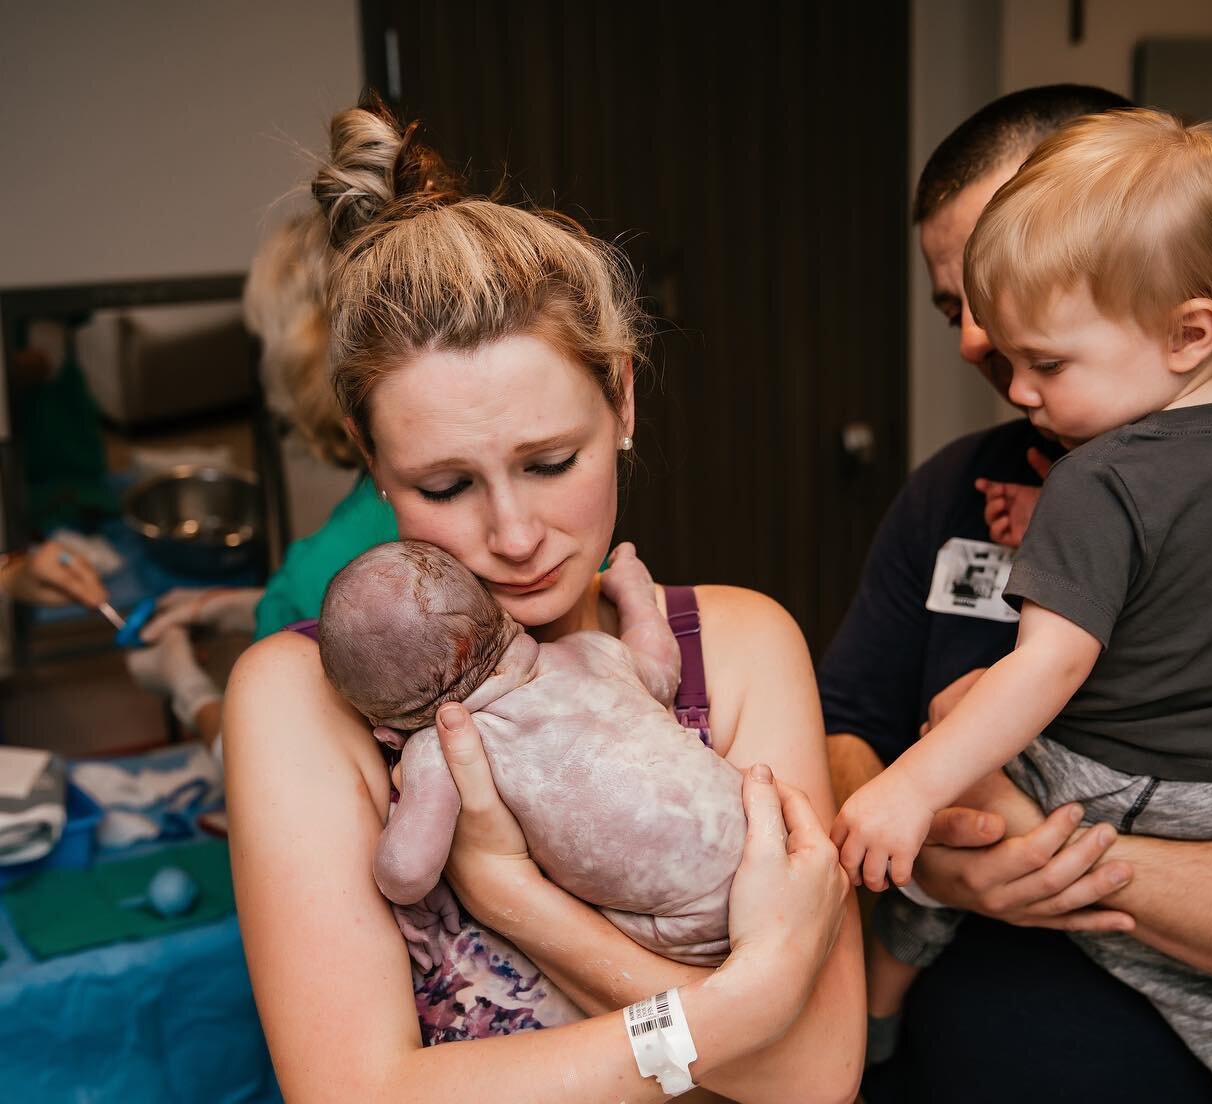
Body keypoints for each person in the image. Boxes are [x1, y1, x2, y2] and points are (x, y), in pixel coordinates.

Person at [224, 100, 864, 1102]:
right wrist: (735, 1013)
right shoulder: (297, 696)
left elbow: (815, 1075)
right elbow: (352, 1093)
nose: (514, 537)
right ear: (371, 463)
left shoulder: (737, 645)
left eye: (550, 461)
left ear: (622, 400)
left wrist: (515, 898)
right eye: (446, 487)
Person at [822, 85, 1212, 1102]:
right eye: (958, 305)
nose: (984, 341)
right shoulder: (949, 485)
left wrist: (1015, 840)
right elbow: (847, 728)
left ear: (1177, 312)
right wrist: (937, 866)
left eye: (1023, 285)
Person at [319, 538, 743, 964]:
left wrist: (402, 891)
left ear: (388, 728)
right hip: (764, 842)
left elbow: (407, 871)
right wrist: (633, 592)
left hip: (687, 925)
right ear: (503, 615)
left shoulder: (442, 744)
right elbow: (661, 668)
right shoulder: (591, 650)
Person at [127, 206, 398, 747]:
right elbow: (362, 626)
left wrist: (187, 687)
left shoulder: (322, 566)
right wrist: (237, 607)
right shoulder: (372, 525)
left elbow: (264, 768)